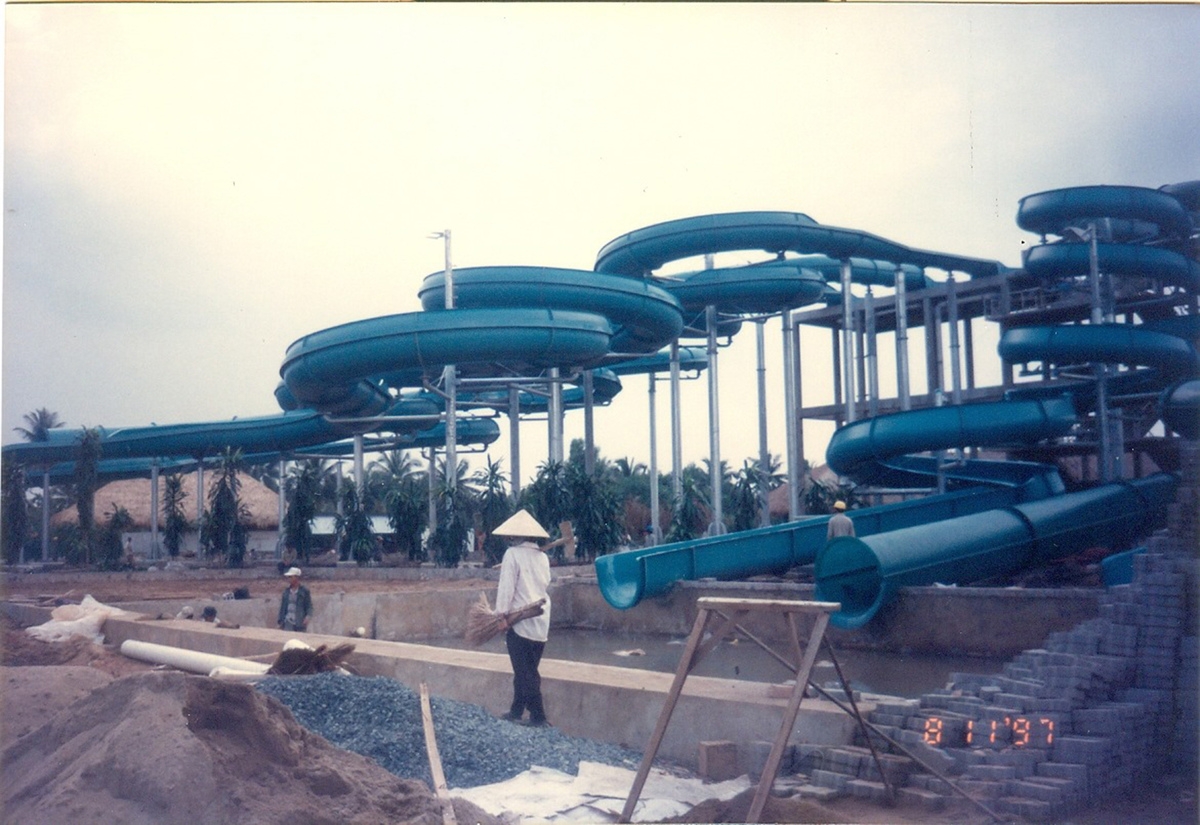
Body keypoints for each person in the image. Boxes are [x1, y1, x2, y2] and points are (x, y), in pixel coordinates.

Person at [493, 509, 552, 727]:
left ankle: (539, 717)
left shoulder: (512, 554)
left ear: (515, 536)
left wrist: (501, 615)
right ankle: (516, 710)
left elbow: (506, 588)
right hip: (540, 621)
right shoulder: (543, 557)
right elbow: (544, 585)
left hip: (519, 620)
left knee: (525, 672)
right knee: (526, 669)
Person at [277, 567, 313, 632]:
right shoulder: (286, 591)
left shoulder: (304, 591)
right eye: (288, 577)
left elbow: (309, 606)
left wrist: (307, 617)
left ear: (297, 577)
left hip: (299, 622)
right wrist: (280, 621)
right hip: (287, 622)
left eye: (291, 577)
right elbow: (282, 607)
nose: (289, 579)